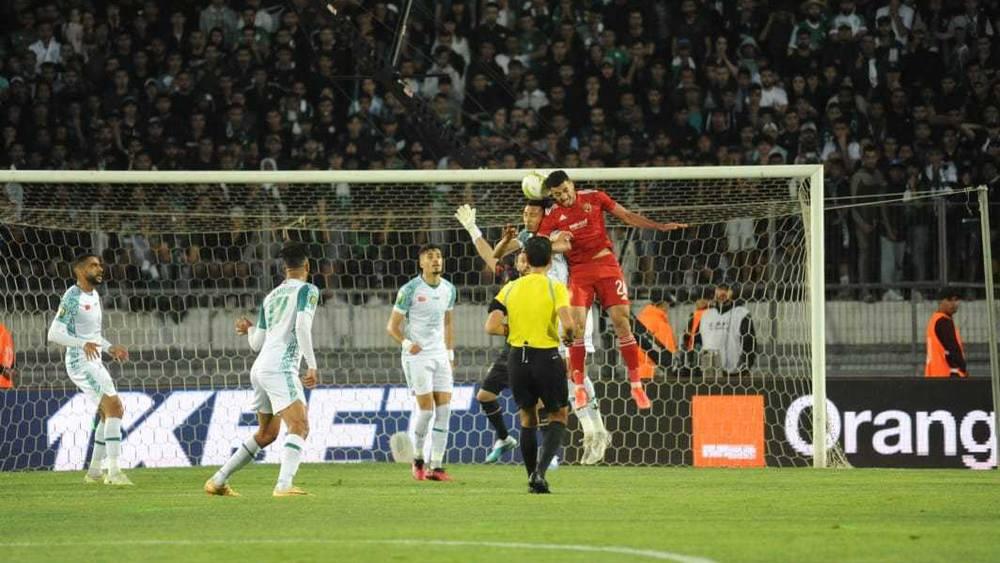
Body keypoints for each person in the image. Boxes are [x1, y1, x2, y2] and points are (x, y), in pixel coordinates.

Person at [456, 199, 610, 465]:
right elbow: (492, 257)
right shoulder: (518, 270)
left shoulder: (556, 235)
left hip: (567, 308)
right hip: (530, 335)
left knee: (572, 373)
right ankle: (586, 435)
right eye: (524, 213)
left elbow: (566, 244)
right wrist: (473, 229)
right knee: (547, 390)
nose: (527, 218)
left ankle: (592, 432)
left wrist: (536, 242)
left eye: (533, 213)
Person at [540, 170, 687, 410]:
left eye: (565, 191)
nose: (563, 197)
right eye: (557, 195)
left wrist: (658, 226)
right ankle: (578, 389)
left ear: (572, 185)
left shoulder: (595, 197)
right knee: (576, 328)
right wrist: (557, 241)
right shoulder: (554, 214)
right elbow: (540, 243)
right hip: (580, 272)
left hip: (606, 265)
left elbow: (627, 216)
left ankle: (636, 385)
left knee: (622, 323)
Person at [205, 241, 319, 497]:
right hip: (280, 367)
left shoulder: (271, 297)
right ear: (307, 266)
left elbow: (256, 343)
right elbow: (301, 327)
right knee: (299, 426)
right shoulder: (308, 291)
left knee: (267, 433)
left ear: (284, 268)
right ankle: (284, 485)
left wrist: (249, 329)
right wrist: (311, 365)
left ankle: (218, 480)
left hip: (260, 369)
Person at [484, 236, 577, 494]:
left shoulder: (510, 288)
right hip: (545, 356)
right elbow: (568, 324)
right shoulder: (554, 287)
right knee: (559, 414)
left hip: (517, 357)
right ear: (549, 259)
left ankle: (531, 477)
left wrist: (512, 328)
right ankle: (540, 472)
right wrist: (568, 337)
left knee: (527, 417)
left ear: (527, 257)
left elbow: (490, 326)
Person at [47, 254, 131, 485]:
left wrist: (110, 348)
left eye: (100, 265)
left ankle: (95, 471)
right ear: (79, 270)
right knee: (114, 407)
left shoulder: (93, 295)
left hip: (94, 359)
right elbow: (53, 334)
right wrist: (81, 344)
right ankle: (113, 472)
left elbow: (91, 336)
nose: (100, 268)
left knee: (110, 412)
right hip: (79, 362)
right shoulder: (72, 297)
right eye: (94, 265)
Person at [386, 244, 457, 481]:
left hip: (439, 356)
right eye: (430, 257)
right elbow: (392, 327)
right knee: (426, 412)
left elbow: (447, 322)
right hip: (417, 356)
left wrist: (450, 354)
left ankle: (436, 466)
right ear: (421, 263)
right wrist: (407, 344)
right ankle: (417, 458)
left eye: (438, 256)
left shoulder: (449, 289)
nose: (436, 260)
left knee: (445, 411)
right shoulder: (410, 290)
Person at [698, 284, 756, 376]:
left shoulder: (741, 314)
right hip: (710, 373)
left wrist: (745, 367)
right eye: (719, 289)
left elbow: (749, 343)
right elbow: (699, 341)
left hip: (735, 373)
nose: (722, 293)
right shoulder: (706, 315)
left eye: (726, 290)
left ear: (732, 292)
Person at [925, 291, 968, 378]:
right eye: (949, 300)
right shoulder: (943, 321)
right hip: (948, 374)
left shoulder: (934, 320)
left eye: (955, 300)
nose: (953, 303)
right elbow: (952, 348)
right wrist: (962, 368)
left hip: (935, 373)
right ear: (940, 302)